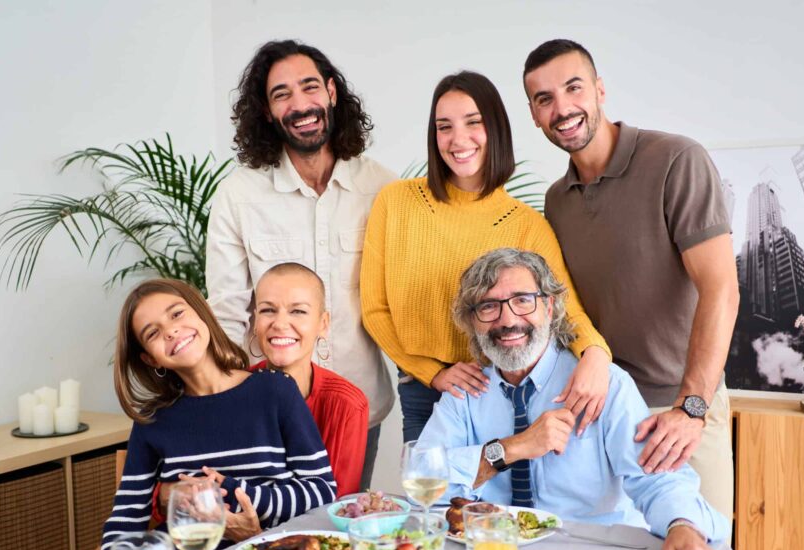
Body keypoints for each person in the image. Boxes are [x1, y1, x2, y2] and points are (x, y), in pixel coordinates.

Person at [418, 248, 729, 550]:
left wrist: (682, 525)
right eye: (488, 306)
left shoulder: (603, 384)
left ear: (550, 307)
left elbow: (656, 478)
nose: (507, 320)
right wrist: (512, 448)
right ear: (472, 321)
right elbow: (424, 482)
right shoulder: (466, 391)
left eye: (523, 300)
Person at [522, 39, 740, 519]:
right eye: (544, 99)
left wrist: (692, 409)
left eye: (573, 88)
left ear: (599, 90)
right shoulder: (557, 199)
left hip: (679, 410)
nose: (562, 108)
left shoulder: (676, 160)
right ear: (534, 116)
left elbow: (721, 289)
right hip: (600, 416)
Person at [360, 70, 611, 444]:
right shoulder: (395, 203)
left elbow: (565, 308)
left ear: (495, 129)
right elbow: (375, 310)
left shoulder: (526, 225)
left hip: (498, 389)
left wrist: (596, 354)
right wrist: (432, 373)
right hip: (422, 390)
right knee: (431, 499)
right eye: (444, 127)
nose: (458, 139)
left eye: (473, 122)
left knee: (495, 502)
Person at [207, 39, 394, 490]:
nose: (299, 104)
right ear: (267, 113)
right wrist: (227, 406)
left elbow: (402, 299)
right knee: (268, 536)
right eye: (281, 95)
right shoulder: (239, 196)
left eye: (309, 87)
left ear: (331, 92)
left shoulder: (382, 188)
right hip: (264, 410)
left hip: (359, 405)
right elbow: (229, 310)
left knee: (341, 536)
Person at [95, 278, 336, 550]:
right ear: (151, 359)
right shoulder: (152, 421)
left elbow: (322, 492)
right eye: (153, 333)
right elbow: (125, 519)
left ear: (201, 313)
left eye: (177, 314)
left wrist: (237, 492)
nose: (170, 330)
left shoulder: (275, 391)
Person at [250, 262, 369, 497]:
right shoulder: (233, 391)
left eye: (298, 311)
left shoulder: (348, 404)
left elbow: (338, 507)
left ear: (322, 324)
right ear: (255, 321)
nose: (280, 323)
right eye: (268, 310)